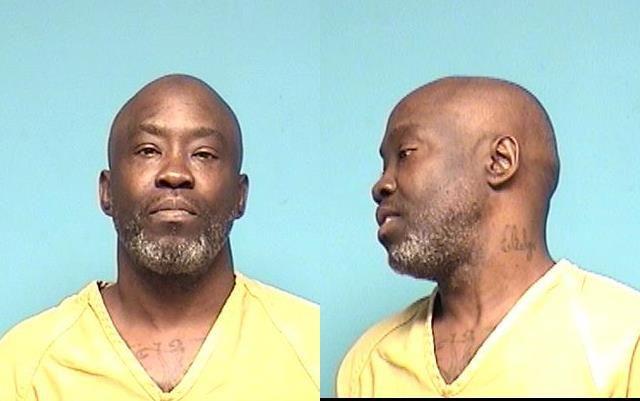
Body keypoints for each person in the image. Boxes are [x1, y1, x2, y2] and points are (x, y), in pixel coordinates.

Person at [0, 74, 319, 400]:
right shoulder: (25, 367)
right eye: (148, 150)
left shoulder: (308, 344)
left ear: (240, 196)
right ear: (107, 191)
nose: (175, 174)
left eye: (203, 154)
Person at [336, 76, 640, 397]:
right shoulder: (369, 363)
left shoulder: (626, 340)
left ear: (499, 161)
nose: (381, 185)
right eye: (385, 164)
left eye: (406, 153)